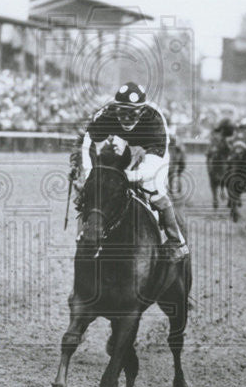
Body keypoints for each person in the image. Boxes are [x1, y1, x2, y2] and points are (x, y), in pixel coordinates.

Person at [75, 82, 188, 261]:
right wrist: (89, 175)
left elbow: (154, 162)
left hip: (151, 152)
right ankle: (85, 234)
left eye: (133, 114)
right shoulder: (106, 114)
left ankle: (176, 241)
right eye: (122, 113)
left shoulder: (155, 119)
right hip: (122, 145)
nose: (127, 119)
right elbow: (87, 144)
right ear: (115, 109)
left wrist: (132, 176)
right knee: (93, 189)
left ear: (142, 111)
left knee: (156, 189)